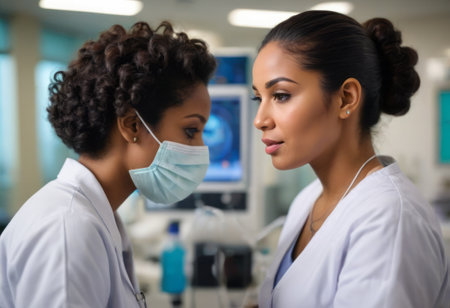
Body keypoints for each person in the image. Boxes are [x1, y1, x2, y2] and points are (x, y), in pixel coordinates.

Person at [0, 21, 216, 307]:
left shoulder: (94, 216)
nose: (200, 149)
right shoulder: (69, 229)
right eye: (191, 131)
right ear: (132, 125)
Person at [252, 10, 450, 308]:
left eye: (280, 95)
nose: (260, 120)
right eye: (259, 98)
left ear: (346, 98)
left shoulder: (389, 220)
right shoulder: (308, 200)